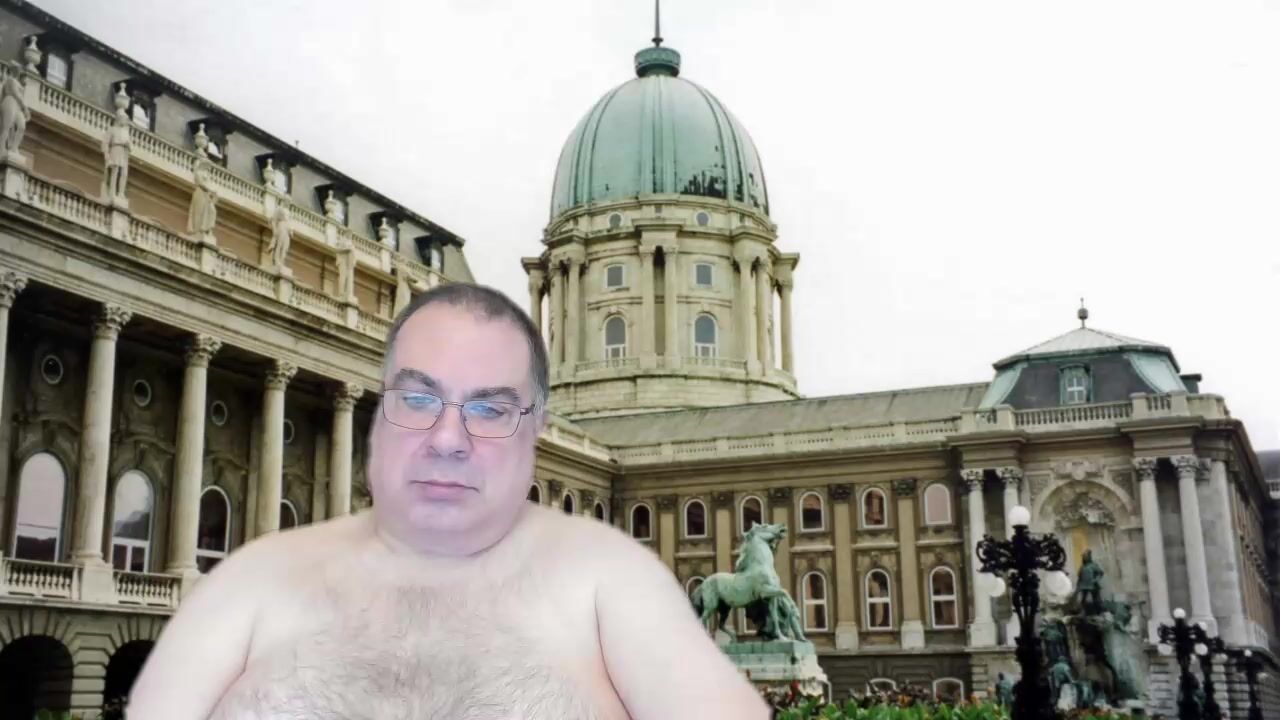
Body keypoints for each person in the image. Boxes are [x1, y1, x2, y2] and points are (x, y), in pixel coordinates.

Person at [127, 283, 768, 719]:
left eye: (490, 409)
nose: (448, 440)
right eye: (418, 399)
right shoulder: (247, 591)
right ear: (381, 410)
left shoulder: (612, 587)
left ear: (535, 428)